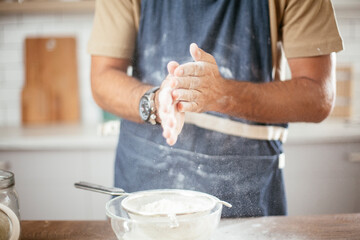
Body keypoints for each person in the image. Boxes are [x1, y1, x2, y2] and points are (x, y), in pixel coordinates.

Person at [88, 0, 343, 217]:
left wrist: (222, 95)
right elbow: (102, 78)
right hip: (145, 184)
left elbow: (318, 96)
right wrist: (156, 102)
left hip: (248, 192)